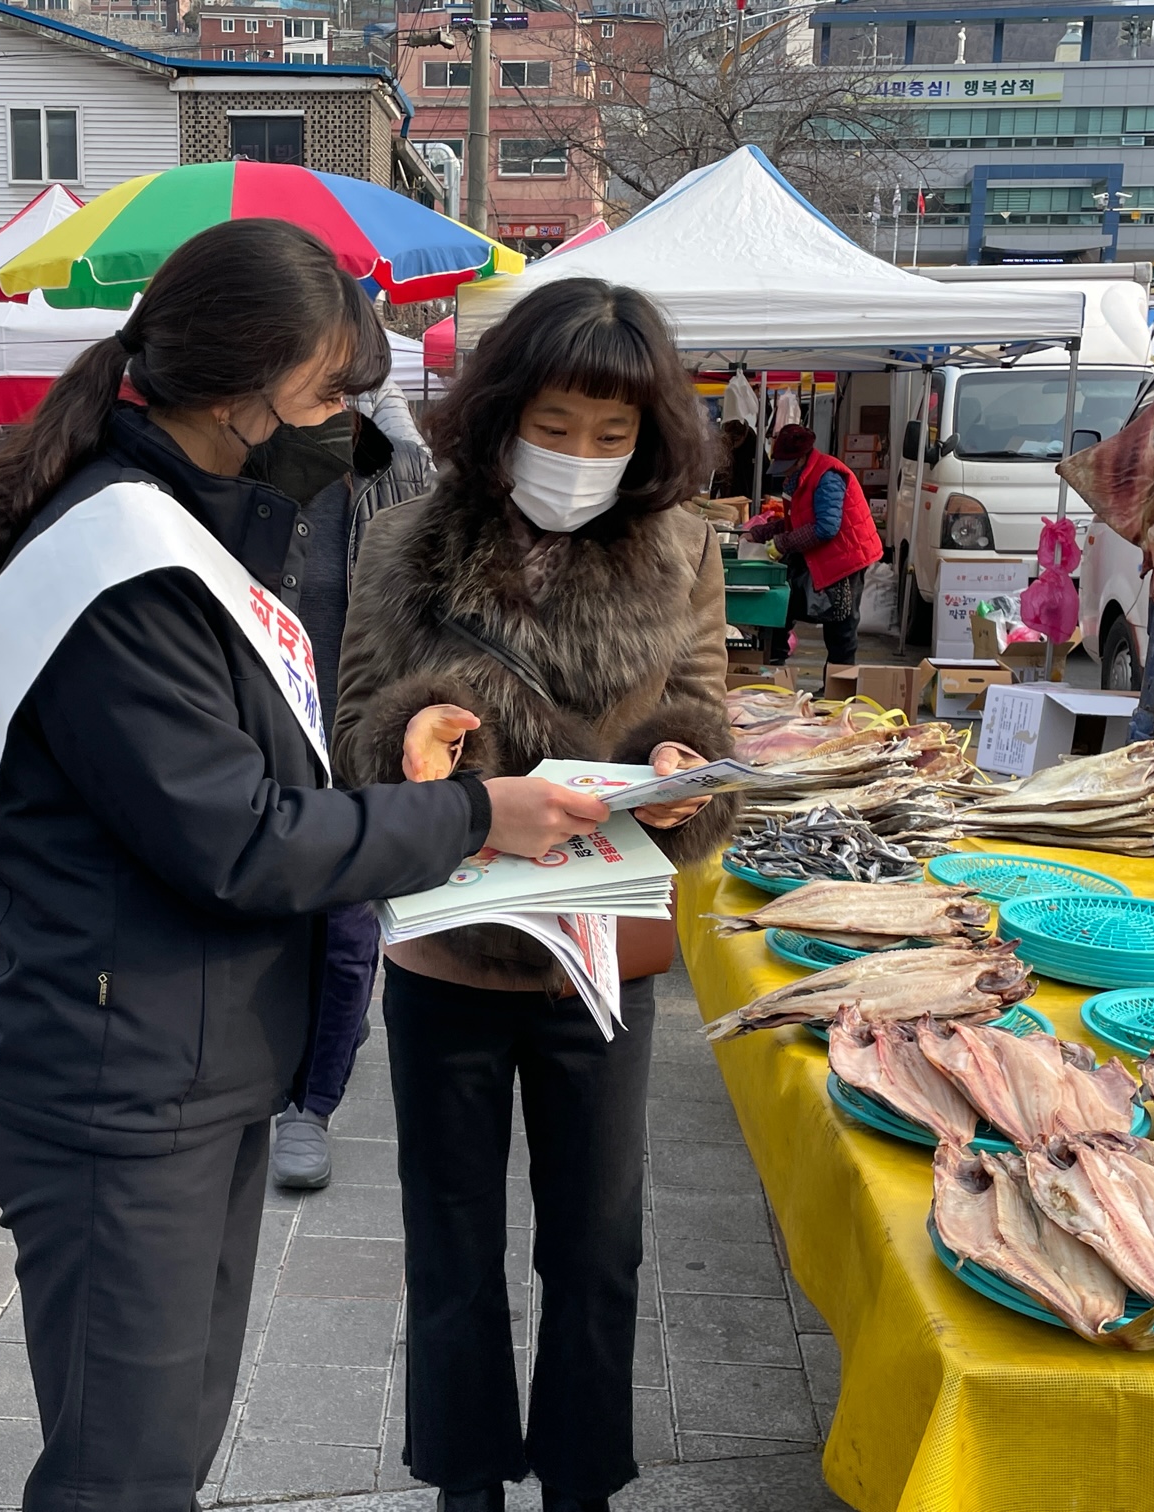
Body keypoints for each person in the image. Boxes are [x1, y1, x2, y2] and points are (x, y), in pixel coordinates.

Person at [0, 218, 611, 1512]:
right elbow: (239, 840)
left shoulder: (184, 538)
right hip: (116, 1078)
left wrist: (396, 785)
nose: (346, 430)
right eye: (326, 396)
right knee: (121, 1469)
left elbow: (245, 784)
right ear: (235, 391)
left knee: (168, 1442)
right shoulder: (124, 564)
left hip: (182, 1059)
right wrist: (473, 815)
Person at [332, 278, 740, 1512]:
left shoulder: (681, 546)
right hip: (451, 946)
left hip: (602, 955)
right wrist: (413, 739)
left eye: (611, 435)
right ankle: (465, 1483)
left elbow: (702, 708)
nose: (579, 456)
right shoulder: (405, 540)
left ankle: (580, 1483)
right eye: (555, 426)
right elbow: (354, 723)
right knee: (450, 1242)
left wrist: (679, 771)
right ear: (502, 412)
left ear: (649, 436)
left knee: (599, 1248)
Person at [245, 379, 436, 1189]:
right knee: (270, 918)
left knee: (348, 931)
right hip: (261, 739)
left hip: (358, 741)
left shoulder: (400, 476)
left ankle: (310, 1102)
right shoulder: (240, 470)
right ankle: (282, 1057)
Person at [744, 423, 882, 669]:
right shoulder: (798, 478)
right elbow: (795, 521)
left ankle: (838, 683)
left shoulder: (828, 476)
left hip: (847, 555)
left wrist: (782, 543)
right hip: (823, 551)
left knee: (841, 626)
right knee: (785, 605)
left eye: (788, 465)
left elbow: (826, 527)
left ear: (802, 458)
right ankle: (774, 668)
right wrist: (760, 532)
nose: (785, 472)